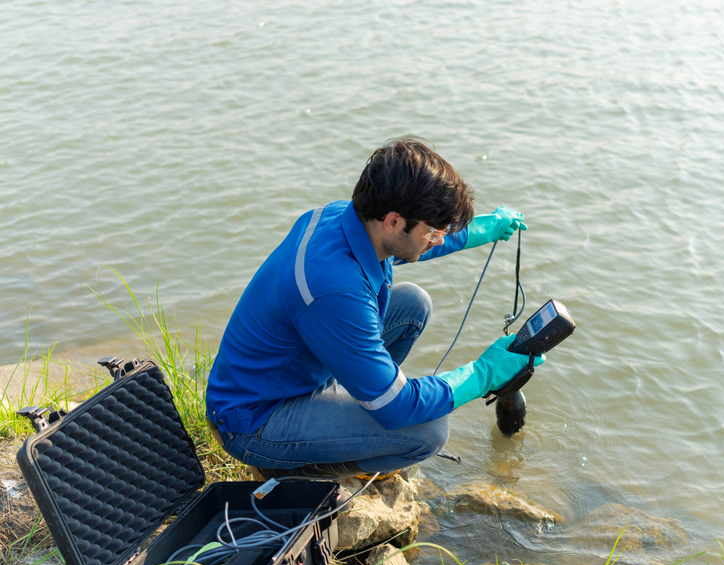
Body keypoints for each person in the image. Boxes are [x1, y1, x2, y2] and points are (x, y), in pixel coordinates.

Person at [205, 137, 543, 479]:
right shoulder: (335, 287)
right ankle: (287, 469)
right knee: (427, 432)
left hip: (290, 375)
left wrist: (487, 228)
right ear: (394, 222)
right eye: (432, 232)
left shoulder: (345, 217)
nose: (437, 239)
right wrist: (483, 373)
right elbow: (400, 407)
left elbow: (412, 245)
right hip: (253, 419)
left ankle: (355, 421)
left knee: (413, 304)